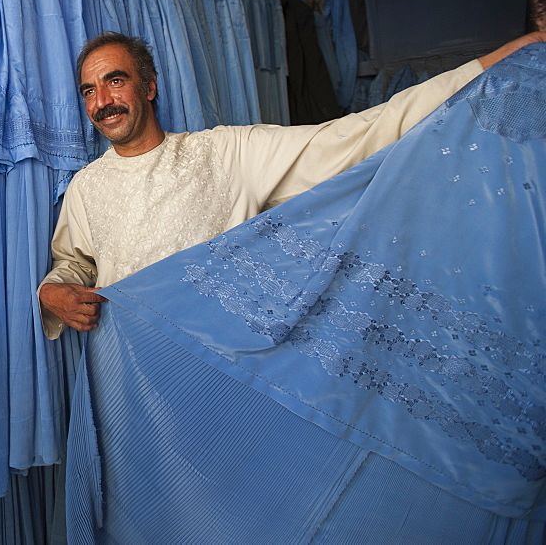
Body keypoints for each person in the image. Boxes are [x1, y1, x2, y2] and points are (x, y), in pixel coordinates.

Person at [38, 30, 546, 339]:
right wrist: (53, 294)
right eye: (89, 89)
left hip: (214, 371)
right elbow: (73, 264)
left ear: (149, 86)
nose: (102, 100)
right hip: (124, 380)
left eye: (116, 80)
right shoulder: (86, 187)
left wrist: (487, 67)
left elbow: (356, 135)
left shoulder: (223, 153)